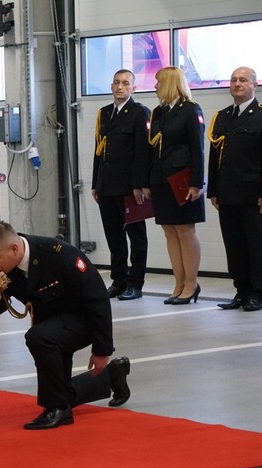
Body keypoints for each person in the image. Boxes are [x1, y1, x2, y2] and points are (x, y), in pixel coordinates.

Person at [0, 220, 131, 429]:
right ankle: (112, 375)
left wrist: (102, 350)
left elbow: (98, 299)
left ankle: (58, 409)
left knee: (38, 338)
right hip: (53, 325)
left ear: (14, 249)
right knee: (60, 387)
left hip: (84, 320)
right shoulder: (8, 267)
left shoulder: (59, 254)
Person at [143, 66, 205, 305]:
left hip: (182, 179)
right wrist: (147, 181)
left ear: (170, 83)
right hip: (160, 179)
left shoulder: (189, 110)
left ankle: (191, 283)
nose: (156, 85)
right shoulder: (158, 112)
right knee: (169, 231)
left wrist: (196, 183)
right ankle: (178, 283)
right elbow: (152, 148)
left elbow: (197, 149)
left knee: (185, 231)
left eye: (159, 81)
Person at [207, 67, 262, 312]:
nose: (237, 84)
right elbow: (214, 155)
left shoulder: (259, 115)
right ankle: (241, 290)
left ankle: (258, 293)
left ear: (255, 85)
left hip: (253, 194)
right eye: (233, 80)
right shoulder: (222, 116)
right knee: (234, 245)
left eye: (242, 80)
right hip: (227, 193)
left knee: (256, 244)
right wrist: (214, 190)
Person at [92, 69, 151, 300]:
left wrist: (139, 184)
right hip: (107, 185)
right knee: (114, 236)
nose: (119, 87)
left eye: (125, 83)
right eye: (116, 82)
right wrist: (96, 182)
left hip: (129, 186)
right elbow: (99, 151)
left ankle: (135, 283)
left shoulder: (139, 113)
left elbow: (142, 152)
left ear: (133, 88)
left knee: (137, 237)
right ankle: (119, 280)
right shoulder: (104, 113)